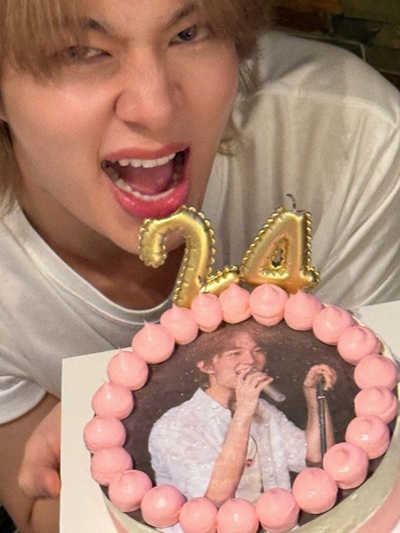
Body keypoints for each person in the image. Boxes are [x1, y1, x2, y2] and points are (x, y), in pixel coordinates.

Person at [0, 0, 399, 531]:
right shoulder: (176, 425)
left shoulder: (352, 134)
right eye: (81, 51)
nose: (156, 107)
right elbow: (42, 506)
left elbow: (347, 456)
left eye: (187, 33)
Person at [149, 320, 336, 506]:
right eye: (235, 353)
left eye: (258, 351)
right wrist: (243, 413)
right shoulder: (175, 425)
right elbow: (216, 499)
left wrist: (314, 395)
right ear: (206, 366)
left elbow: (316, 458)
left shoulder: (262, 409)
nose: (251, 361)